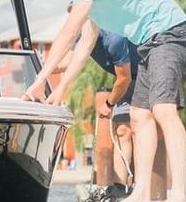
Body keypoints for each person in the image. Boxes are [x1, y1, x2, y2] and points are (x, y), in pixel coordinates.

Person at [23, 0, 186, 202]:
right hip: (149, 42)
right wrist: (62, 88)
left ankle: (179, 197)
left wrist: (39, 79)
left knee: (164, 110)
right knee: (139, 115)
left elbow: (69, 33)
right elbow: (84, 45)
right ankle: (141, 194)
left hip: (169, 33)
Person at [48, 11, 138, 187]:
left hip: (141, 75)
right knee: (122, 130)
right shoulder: (82, 36)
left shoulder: (113, 35)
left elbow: (124, 77)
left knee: (140, 127)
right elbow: (66, 62)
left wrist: (109, 103)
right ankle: (119, 187)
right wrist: (44, 69)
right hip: (125, 79)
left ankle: (142, 186)